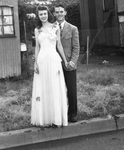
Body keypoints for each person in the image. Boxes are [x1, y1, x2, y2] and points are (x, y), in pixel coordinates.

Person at [31, 6, 68, 127]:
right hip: (42, 60)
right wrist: (35, 63)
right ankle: (44, 118)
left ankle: (55, 119)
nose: (43, 16)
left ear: (48, 14)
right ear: (38, 16)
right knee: (43, 88)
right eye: (40, 14)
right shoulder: (38, 30)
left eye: (45, 14)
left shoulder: (55, 26)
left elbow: (59, 45)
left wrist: (65, 60)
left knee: (54, 87)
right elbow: (37, 47)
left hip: (53, 60)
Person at [53, 4, 80, 122]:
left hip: (69, 64)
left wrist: (73, 61)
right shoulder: (51, 28)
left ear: (65, 13)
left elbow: (76, 47)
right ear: (54, 14)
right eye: (57, 12)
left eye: (61, 11)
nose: (59, 14)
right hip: (54, 63)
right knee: (57, 90)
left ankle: (73, 113)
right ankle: (60, 113)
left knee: (71, 89)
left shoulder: (73, 28)